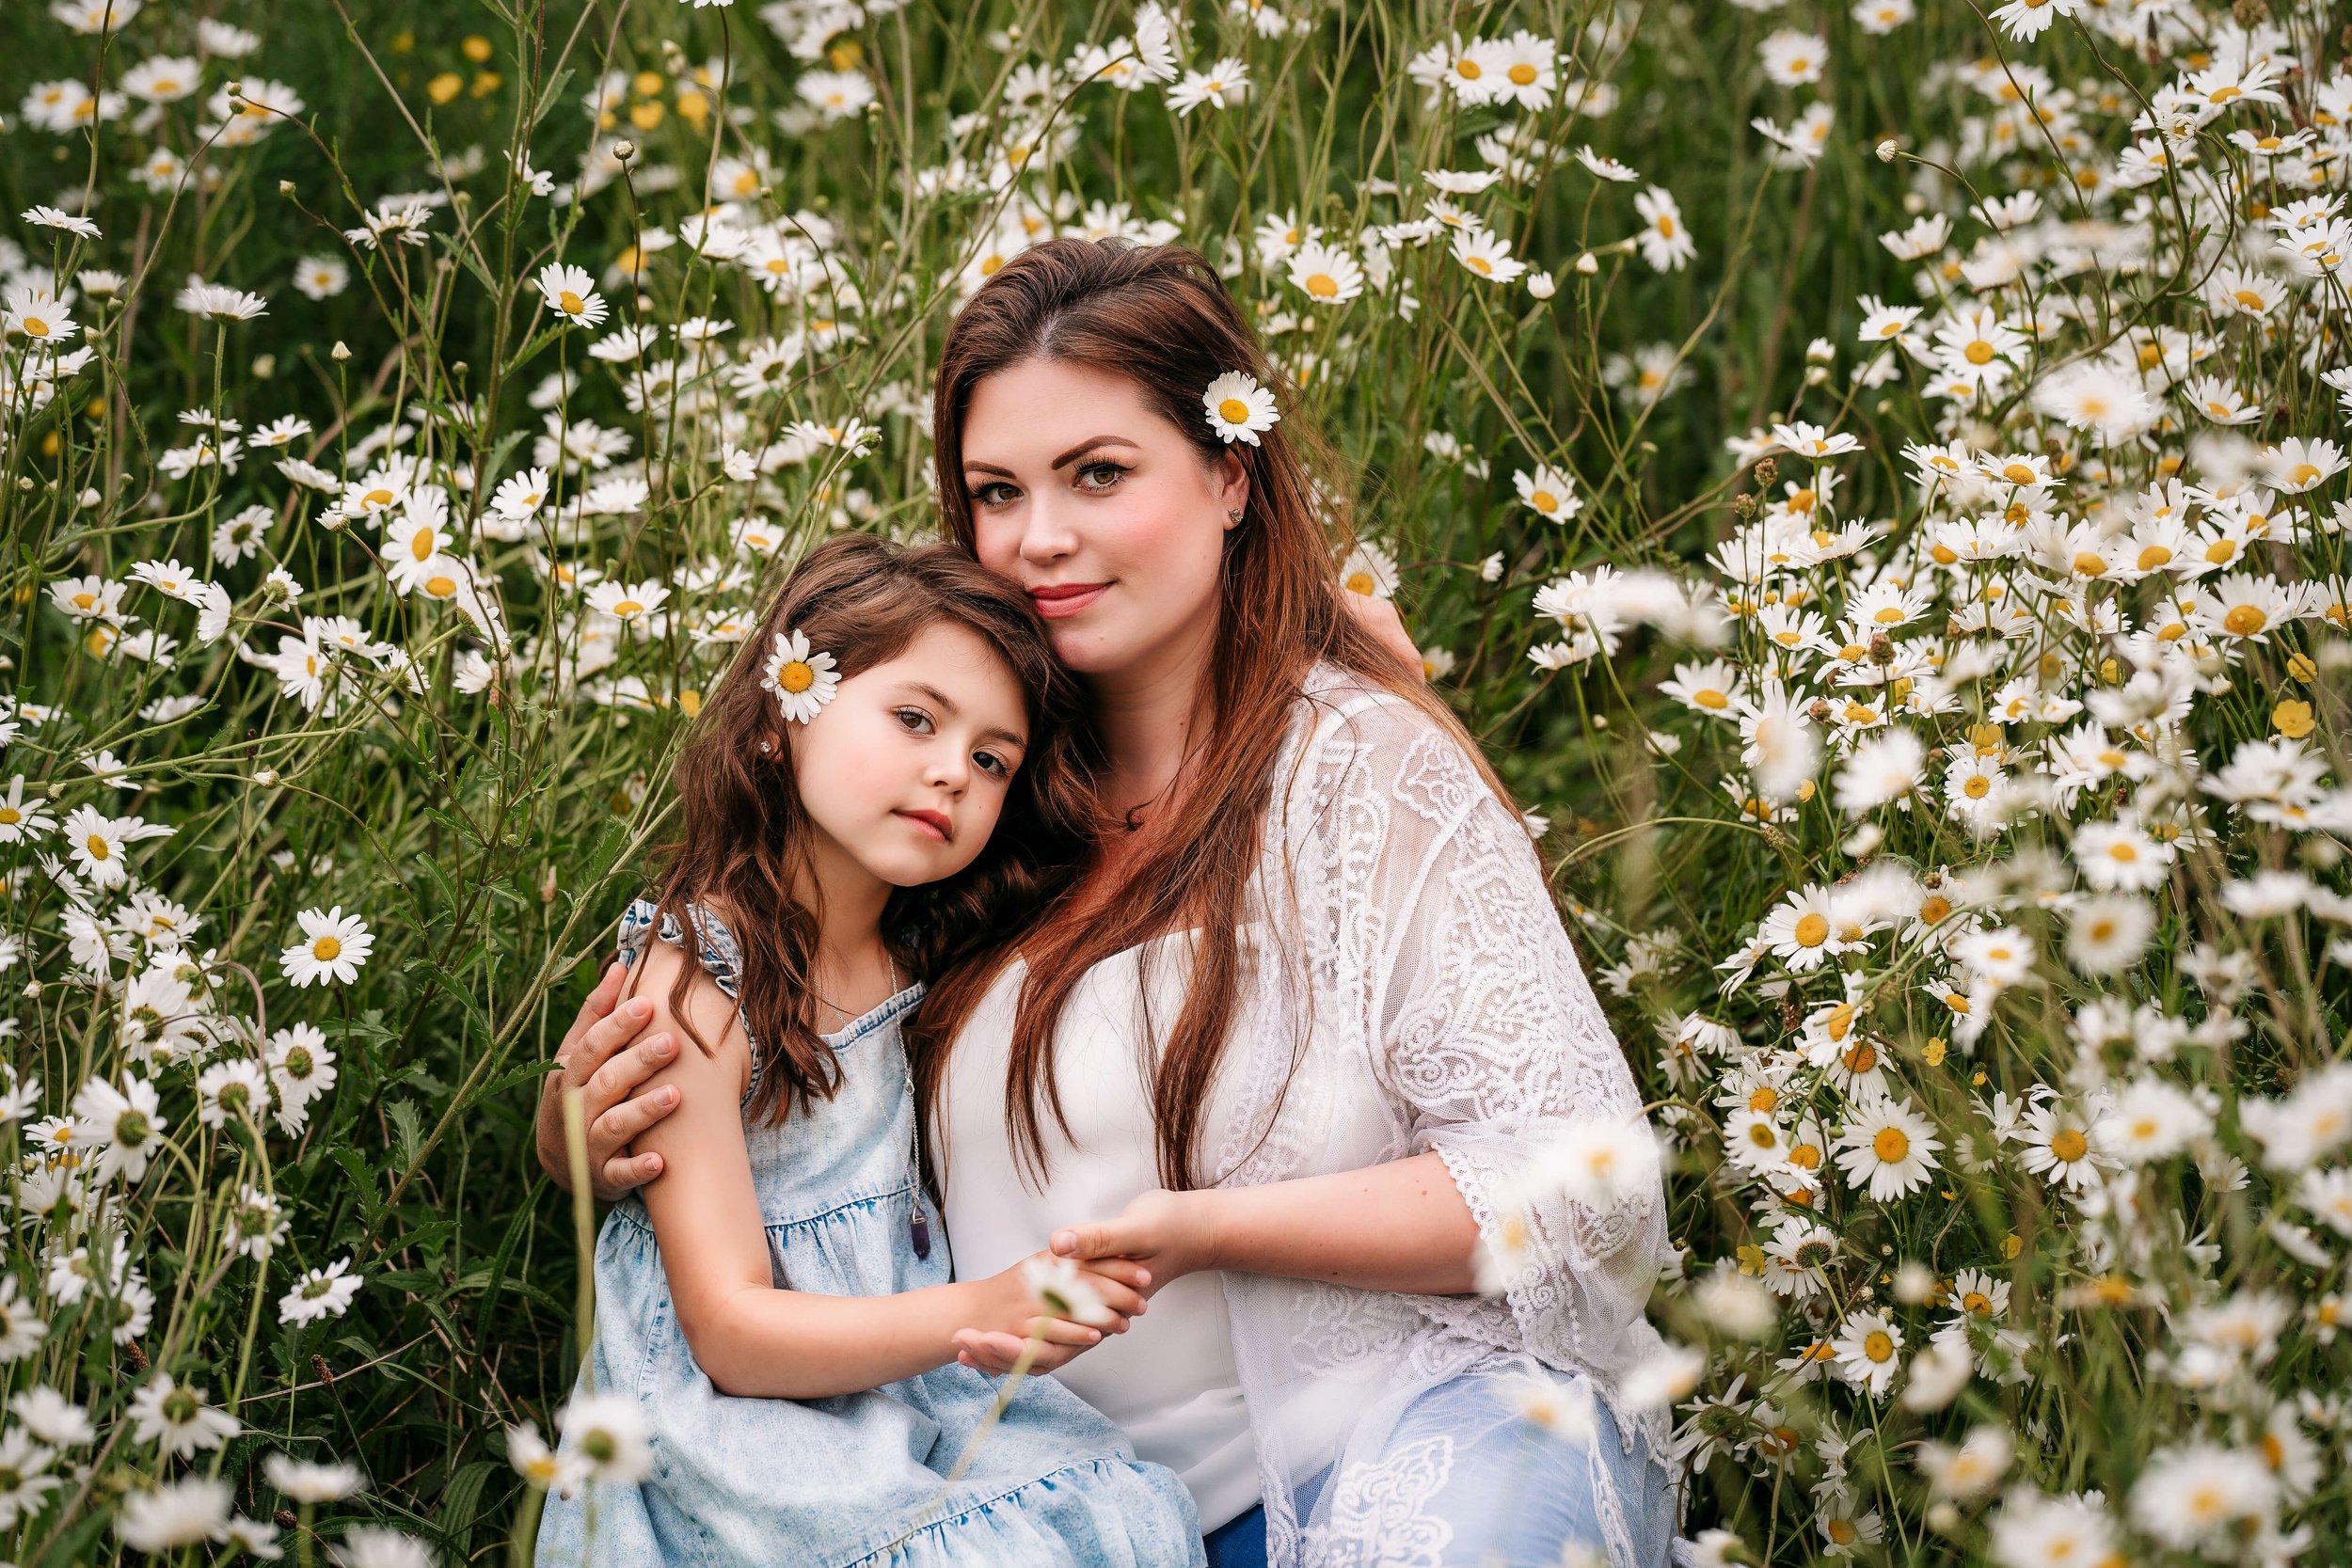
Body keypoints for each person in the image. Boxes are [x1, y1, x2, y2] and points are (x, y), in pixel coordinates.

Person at [542, 239, 1681, 1568]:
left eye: (1098, 473)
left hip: (1385, 1443)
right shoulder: (968, 805)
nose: (1040, 537)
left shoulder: (1353, 766)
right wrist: (599, 1134)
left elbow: (1584, 1188)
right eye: (995, 490)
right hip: (1039, 1506)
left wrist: (1207, 1229)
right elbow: (796, 1096)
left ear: (1230, 475)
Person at [534, 533, 1206, 1568]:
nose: (951, 770)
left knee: (1115, 1516)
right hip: (740, 1427)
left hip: (904, 1388)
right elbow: (728, 1330)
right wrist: (988, 1307)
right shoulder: (702, 974)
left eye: (992, 759)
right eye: (913, 718)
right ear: (778, 717)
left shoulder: (929, 953)